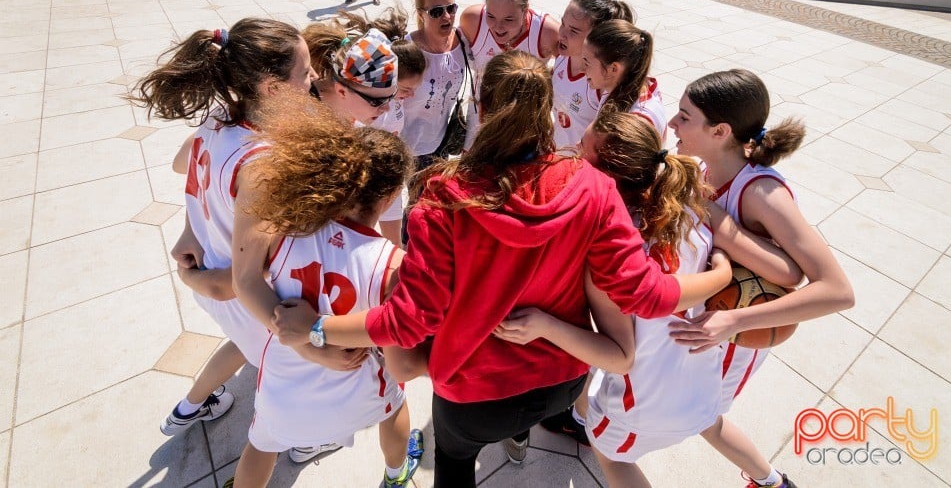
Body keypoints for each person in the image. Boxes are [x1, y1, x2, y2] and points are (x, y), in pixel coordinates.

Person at [270, 51, 733, 488]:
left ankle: (508, 436)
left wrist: (315, 329)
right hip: (563, 383)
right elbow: (648, 296)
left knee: (453, 461)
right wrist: (723, 276)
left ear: (482, 107)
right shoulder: (595, 188)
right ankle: (519, 438)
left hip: (473, 397)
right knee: (522, 418)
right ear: (548, 110)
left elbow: (409, 321)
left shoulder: (443, 199)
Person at [503, 110, 804, 487]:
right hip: (702, 379)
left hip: (644, 402)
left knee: (611, 457)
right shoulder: (689, 212)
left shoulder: (607, 250)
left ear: (603, 173)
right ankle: (774, 481)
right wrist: (723, 268)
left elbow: (617, 354)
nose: (573, 153)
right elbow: (785, 270)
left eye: (582, 148)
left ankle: (580, 420)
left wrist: (544, 325)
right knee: (711, 424)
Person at [130, 20, 347, 466]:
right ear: (270, 88)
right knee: (286, 380)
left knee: (244, 347)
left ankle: (193, 405)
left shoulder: (219, 119)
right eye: (305, 72)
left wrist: (193, 233)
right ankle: (303, 438)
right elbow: (246, 281)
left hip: (218, 284)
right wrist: (309, 346)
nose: (313, 80)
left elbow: (181, 167)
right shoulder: (262, 164)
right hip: (240, 297)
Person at [667, 69, 854, 488]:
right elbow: (781, 266)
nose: (671, 123)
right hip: (706, 317)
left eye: (683, 116)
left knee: (704, 417)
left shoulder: (761, 193)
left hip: (733, 329)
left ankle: (770, 481)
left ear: (720, 131)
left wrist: (733, 321)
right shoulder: (705, 167)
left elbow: (837, 290)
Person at [227, 98, 424, 488]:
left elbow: (243, 281)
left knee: (261, 444)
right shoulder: (394, 264)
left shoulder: (284, 231)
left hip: (283, 395)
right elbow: (397, 338)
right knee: (396, 406)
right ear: (387, 201)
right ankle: (396, 475)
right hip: (358, 396)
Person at [459, 0, 559, 146]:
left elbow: (572, 71)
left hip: (523, 125)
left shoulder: (547, 32)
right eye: (491, 16)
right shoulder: (473, 20)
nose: (498, 27)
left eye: (509, 19)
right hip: (480, 116)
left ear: (525, 10)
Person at [402, 0, 471, 168]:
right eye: (436, 11)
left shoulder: (462, 42)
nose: (447, 16)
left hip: (444, 141)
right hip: (410, 147)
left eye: (451, 8)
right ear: (421, 13)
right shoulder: (407, 50)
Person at [551, 0, 633, 151]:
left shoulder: (602, 82)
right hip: (556, 158)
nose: (561, 33)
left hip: (580, 167)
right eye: (562, 23)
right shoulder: (561, 59)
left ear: (596, 38)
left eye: (573, 31)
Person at [371, 39, 426, 246]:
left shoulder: (396, 100)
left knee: (394, 244)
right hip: (368, 182)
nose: (411, 95)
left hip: (390, 179)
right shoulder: (372, 108)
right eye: (406, 88)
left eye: (415, 88)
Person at [581, 19, 666, 140]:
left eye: (586, 63)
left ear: (613, 69)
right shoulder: (615, 89)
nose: (582, 69)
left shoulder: (637, 121)